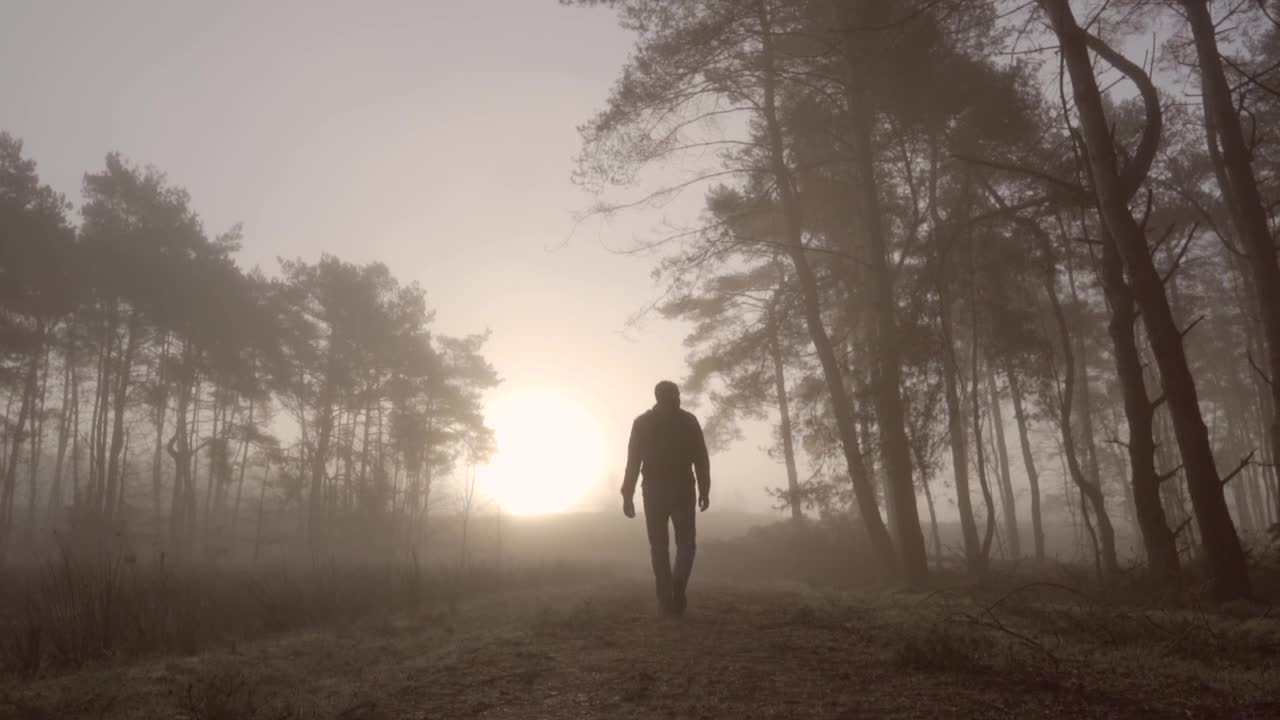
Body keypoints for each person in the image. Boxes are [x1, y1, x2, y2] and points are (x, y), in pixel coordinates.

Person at [621, 380, 710, 616]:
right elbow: (701, 458)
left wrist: (627, 494)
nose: (679, 398)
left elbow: (633, 462)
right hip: (682, 489)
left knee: (659, 547)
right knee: (686, 544)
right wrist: (704, 489)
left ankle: (664, 597)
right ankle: (678, 584)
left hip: (653, 492)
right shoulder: (688, 421)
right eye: (677, 394)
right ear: (672, 397)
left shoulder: (642, 423)